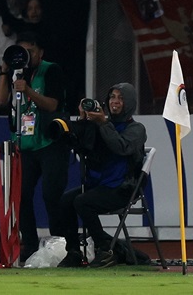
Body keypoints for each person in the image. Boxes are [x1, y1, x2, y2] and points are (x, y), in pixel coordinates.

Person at [51, 84, 147, 269]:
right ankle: (74, 252)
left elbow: (121, 147)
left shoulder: (137, 129)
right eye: (112, 97)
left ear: (129, 103)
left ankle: (106, 250)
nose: (115, 101)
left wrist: (103, 123)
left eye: (120, 98)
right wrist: (83, 121)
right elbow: (82, 148)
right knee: (65, 201)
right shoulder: (100, 124)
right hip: (101, 185)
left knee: (82, 201)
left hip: (123, 188)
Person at [0, 31, 69, 264]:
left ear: (40, 52)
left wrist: (27, 90)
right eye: (22, 51)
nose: (26, 56)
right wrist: (5, 71)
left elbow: (53, 104)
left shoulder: (51, 70)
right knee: (21, 195)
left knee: (51, 195)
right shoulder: (16, 72)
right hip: (24, 144)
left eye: (31, 51)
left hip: (50, 142)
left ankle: (61, 245)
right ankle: (29, 245)